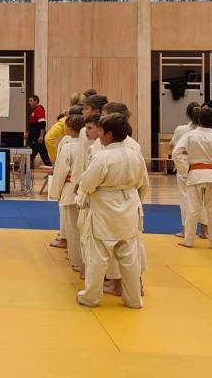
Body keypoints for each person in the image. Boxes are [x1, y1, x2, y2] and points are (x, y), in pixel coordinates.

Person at [77, 113, 147, 309]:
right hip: (129, 205)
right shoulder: (135, 155)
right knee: (130, 257)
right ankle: (133, 299)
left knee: (97, 256)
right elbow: (141, 182)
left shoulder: (102, 157)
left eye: (101, 130)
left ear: (108, 134)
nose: (98, 134)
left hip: (105, 208)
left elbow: (88, 184)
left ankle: (91, 296)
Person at [173, 106, 212, 249]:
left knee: (192, 209)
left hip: (194, 175)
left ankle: (188, 240)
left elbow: (176, 152)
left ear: (198, 119)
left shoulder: (190, 135)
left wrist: (185, 169)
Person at [48, 114, 85, 271]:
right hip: (86, 191)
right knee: (85, 229)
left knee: (73, 229)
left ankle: (77, 261)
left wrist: (55, 192)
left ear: (69, 128)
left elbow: (61, 171)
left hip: (70, 190)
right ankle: (87, 262)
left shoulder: (68, 146)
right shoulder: (90, 145)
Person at [170, 102, 202, 238]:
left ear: (187, 114)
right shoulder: (208, 132)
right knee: (204, 199)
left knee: (185, 198)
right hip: (203, 168)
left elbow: (173, 146)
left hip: (185, 166)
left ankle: (185, 231)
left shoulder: (181, 129)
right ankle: (205, 231)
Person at [28, 95, 51, 167]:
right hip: (34, 138)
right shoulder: (34, 110)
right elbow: (33, 125)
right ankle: (25, 168)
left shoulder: (39, 109)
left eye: (31, 101)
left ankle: (50, 167)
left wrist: (41, 136)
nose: (29, 103)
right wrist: (28, 134)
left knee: (43, 154)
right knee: (32, 154)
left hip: (38, 138)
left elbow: (42, 124)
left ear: (36, 101)